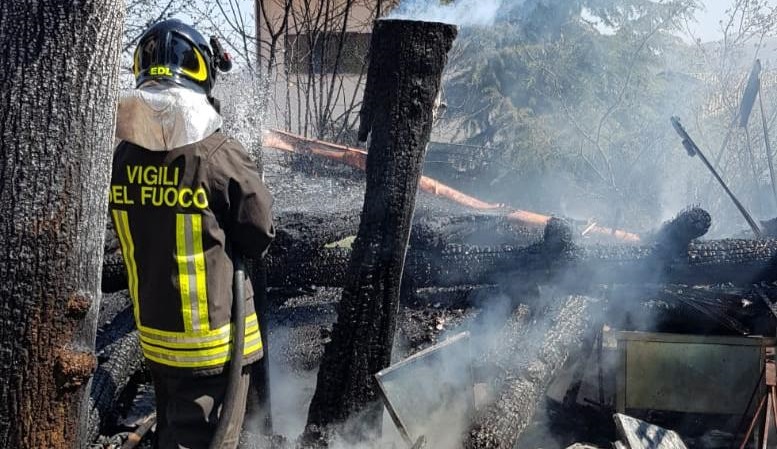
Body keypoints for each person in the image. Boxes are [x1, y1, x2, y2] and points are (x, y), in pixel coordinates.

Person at [108, 19, 274, 449]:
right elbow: (259, 231)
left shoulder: (122, 157)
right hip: (214, 347)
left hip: (156, 337)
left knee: (174, 429)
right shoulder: (216, 154)